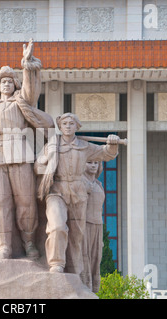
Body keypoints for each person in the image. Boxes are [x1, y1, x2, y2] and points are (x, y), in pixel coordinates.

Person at [0, 40, 54, 260]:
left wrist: (27, 64)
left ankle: (29, 242)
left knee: (25, 200)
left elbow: (31, 90)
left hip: (20, 153)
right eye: (3, 82)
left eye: (10, 82)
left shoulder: (22, 102)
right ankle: (4, 246)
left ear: (15, 85)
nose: (7, 85)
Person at [34, 113, 119, 276]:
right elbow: (37, 166)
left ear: (77, 127)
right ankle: (56, 263)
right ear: (60, 127)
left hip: (78, 193)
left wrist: (112, 144)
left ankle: (74, 270)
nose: (67, 126)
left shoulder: (84, 146)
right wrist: (49, 166)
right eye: (64, 123)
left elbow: (105, 154)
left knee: (77, 234)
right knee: (57, 226)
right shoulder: (52, 146)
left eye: (71, 123)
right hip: (56, 190)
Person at [81, 161, 105, 293]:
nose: (93, 165)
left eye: (96, 163)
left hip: (98, 224)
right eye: (89, 162)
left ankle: (93, 289)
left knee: (97, 257)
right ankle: (85, 285)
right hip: (85, 223)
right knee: (85, 256)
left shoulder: (98, 184)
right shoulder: (81, 181)